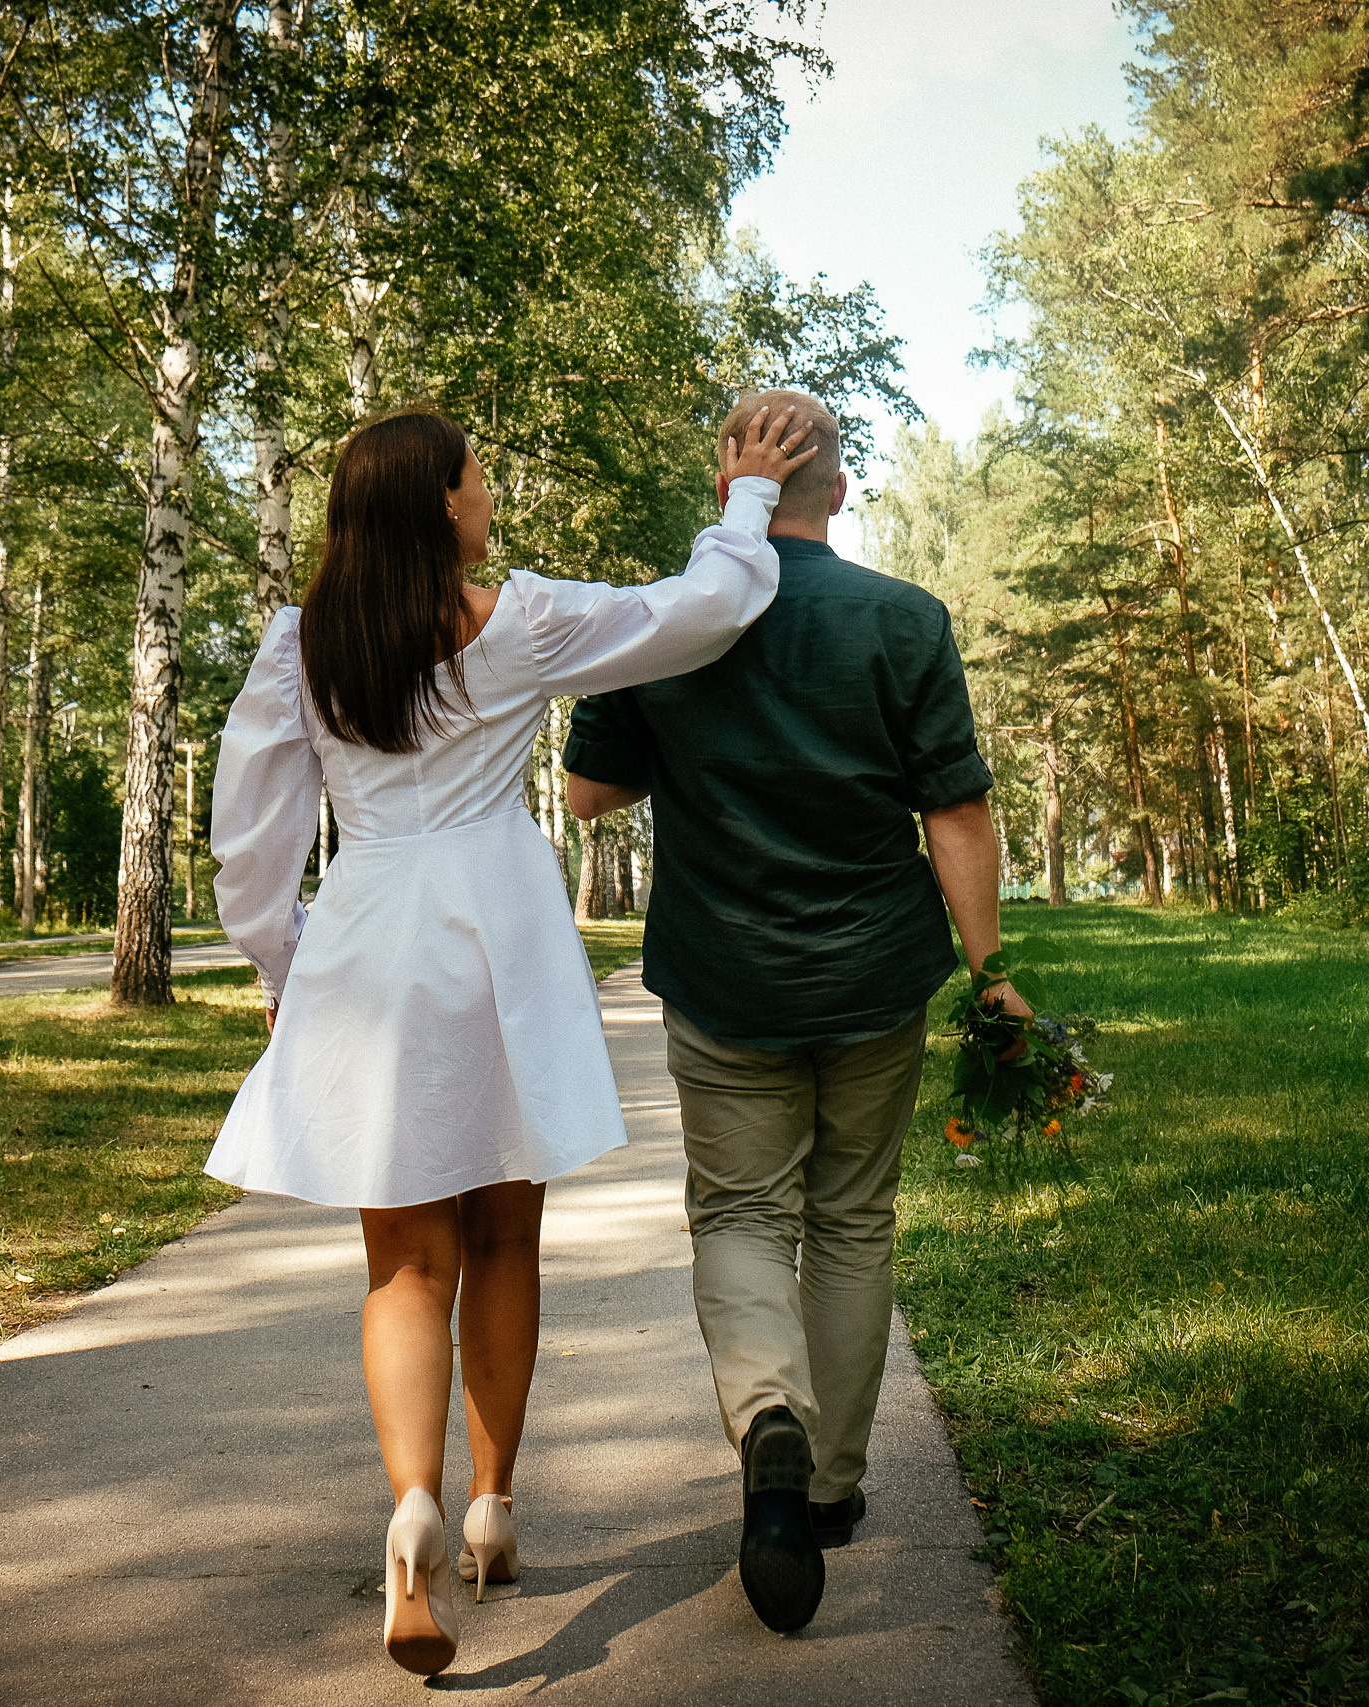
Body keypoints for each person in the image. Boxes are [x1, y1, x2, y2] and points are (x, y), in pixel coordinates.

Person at [206, 405, 820, 1675]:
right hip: (500, 935)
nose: (490, 495)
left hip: (371, 936)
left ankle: (413, 1509)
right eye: (478, 479)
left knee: (403, 1264)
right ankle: (492, 1501)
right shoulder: (521, 618)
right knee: (504, 1238)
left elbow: (250, 854)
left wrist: (288, 968)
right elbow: (696, 613)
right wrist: (748, 499)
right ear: (440, 502)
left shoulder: (298, 648)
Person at [564, 387, 1031, 1635]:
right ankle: (826, 1490)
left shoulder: (663, 625)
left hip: (722, 976)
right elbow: (958, 814)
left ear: (735, 480)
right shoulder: (903, 619)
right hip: (875, 974)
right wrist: (988, 972)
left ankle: (766, 1414)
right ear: (838, 484)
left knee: (740, 1213)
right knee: (851, 1219)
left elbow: (586, 795)